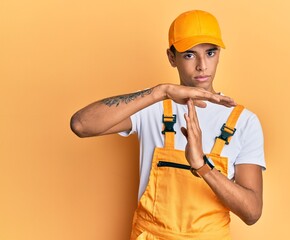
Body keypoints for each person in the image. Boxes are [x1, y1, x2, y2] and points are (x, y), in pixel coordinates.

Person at [70, 9, 266, 240]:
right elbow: (81, 125)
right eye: (189, 55)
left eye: (210, 53)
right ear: (172, 57)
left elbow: (252, 212)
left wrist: (202, 166)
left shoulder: (244, 121)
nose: (202, 65)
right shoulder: (151, 105)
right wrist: (161, 92)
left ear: (219, 54)